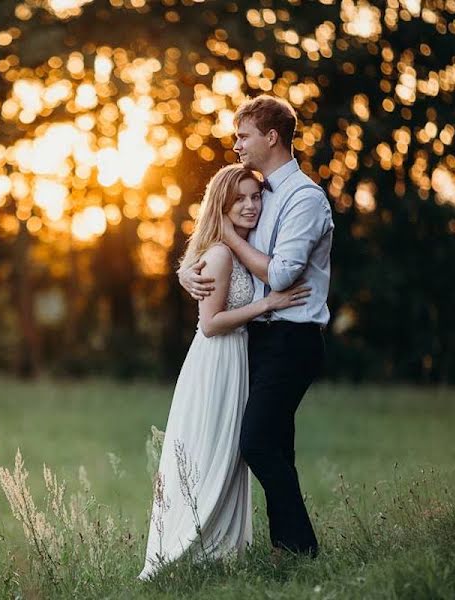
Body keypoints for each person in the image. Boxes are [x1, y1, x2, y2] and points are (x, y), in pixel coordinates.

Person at [139, 164, 311, 580]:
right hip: (216, 360)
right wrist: (267, 305)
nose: (251, 205)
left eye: (256, 197)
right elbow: (210, 323)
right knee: (209, 451)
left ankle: (222, 551)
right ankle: (187, 552)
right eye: (241, 199)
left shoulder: (238, 249)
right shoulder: (219, 253)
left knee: (230, 454)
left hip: (238, 359)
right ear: (223, 205)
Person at [179, 95, 334, 558]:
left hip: (293, 337)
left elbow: (282, 273)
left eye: (243, 134)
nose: (236, 143)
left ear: (271, 137)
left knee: (258, 442)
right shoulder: (261, 193)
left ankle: (302, 548)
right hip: (257, 338)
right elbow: (222, 247)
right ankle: (286, 550)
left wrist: (225, 237)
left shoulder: (303, 198)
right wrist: (187, 271)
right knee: (276, 445)